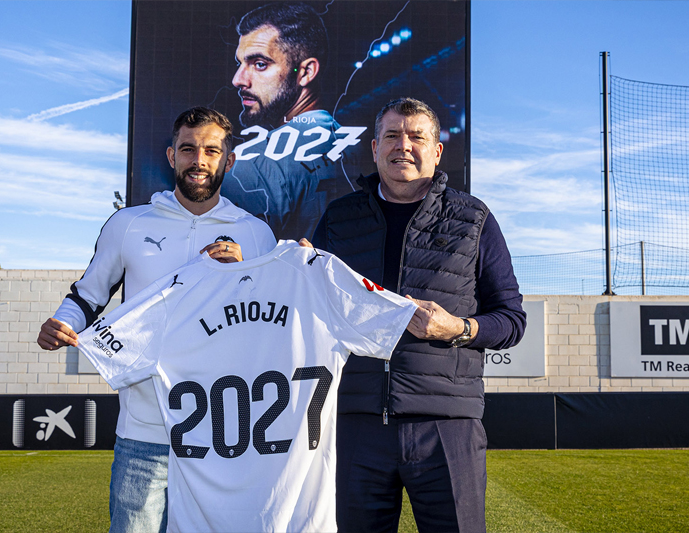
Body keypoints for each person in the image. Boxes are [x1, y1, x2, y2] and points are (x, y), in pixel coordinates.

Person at [36, 107, 276, 533]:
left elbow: (272, 324)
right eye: (188, 149)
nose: (198, 160)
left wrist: (245, 274)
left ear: (229, 160)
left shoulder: (255, 234)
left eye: (211, 151)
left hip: (225, 441)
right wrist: (61, 321)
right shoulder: (129, 224)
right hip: (144, 435)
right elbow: (87, 296)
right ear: (171, 155)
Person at [76, 240, 420, 533]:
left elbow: (106, 345)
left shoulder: (312, 272)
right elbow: (395, 318)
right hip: (282, 517)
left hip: (272, 516)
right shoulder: (314, 272)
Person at [308, 97, 527, 533]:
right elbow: (307, 304)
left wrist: (457, 328)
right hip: (354, 424)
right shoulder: (338, 219)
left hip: (447, 426)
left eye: (416, 137)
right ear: (374, 148)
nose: (403, 146)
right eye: (391, 135)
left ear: (437, 150)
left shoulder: (474, 219)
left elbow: (511, 319)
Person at [222, 1, 366, 241]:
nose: (238, 79)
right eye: (240, 63)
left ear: (306, 72)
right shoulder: (358, 148)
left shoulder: (248, 164)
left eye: (260, 64)